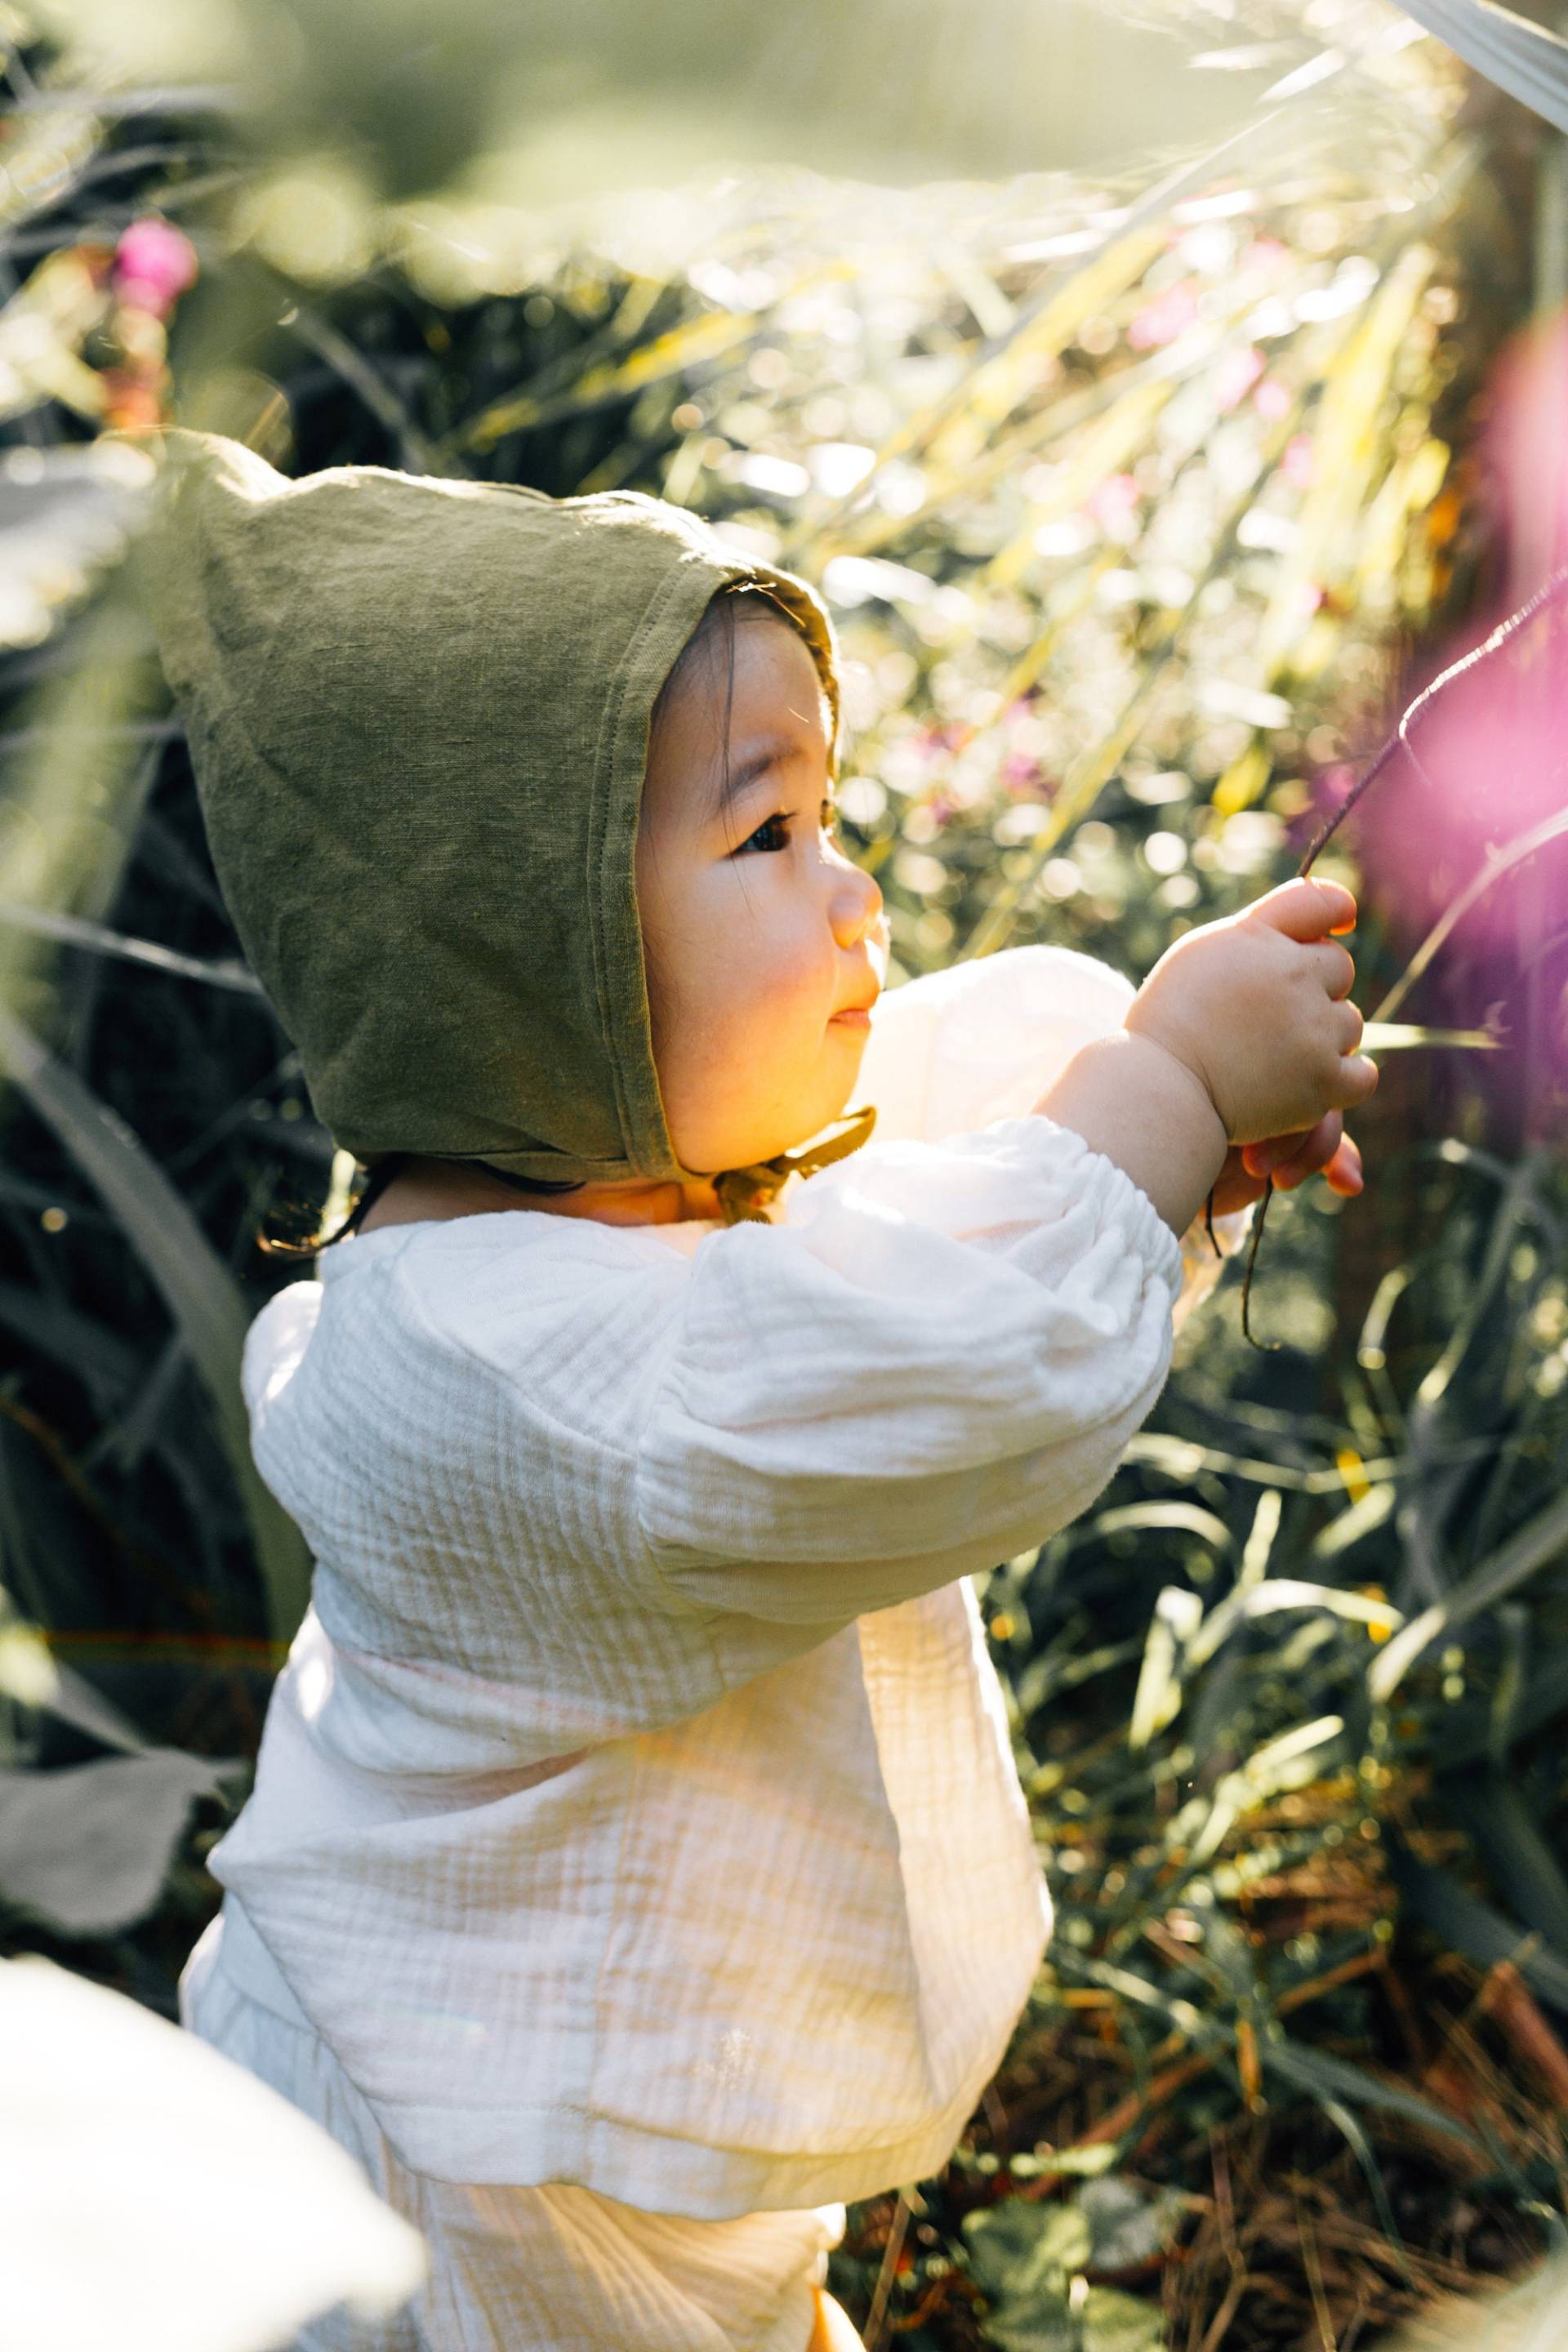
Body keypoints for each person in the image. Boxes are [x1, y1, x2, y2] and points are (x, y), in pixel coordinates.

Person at [141, 429, 1373, 2352]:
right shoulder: (522, 1380)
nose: (859, 893)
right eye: (767, 836)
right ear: (524, 963)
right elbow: (934, 1350)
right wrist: (1173, 1094)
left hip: (588, 2136)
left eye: (834, 811)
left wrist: (1169, 1149)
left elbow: (938, 1180)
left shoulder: (613, 1215)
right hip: (458, 2192)